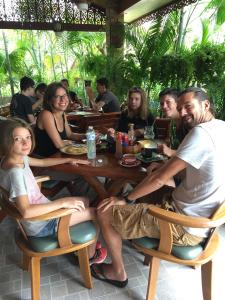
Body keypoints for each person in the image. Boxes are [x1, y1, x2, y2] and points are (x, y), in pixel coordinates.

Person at [90, 87, 225, 287]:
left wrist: (126, 199)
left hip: (183, 226)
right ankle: (135, 233)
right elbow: (192, 170)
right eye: (181, 108)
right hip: (201, 219)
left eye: (188, 106)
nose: (183, 112)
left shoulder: (200, 133)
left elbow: (161, 179)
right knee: (147, 185)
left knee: (105, 210)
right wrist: (164, 168)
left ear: (206, 105)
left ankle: (117, 272)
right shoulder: (220, 127)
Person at [0, 118, 107, 264]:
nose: (25, 143)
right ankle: (89, 256)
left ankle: (82, 245)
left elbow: (43, 162)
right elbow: (26, 212)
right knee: (97, 212)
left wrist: (67, 160)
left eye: (28, 137)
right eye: (17, 139)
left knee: (85, 201)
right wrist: (62, 202)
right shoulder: (15, 173)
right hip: (41, 225)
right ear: (6, 141)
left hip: (39, 217)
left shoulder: (13, 158)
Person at [34, 82, 85, 157]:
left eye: (65, 95)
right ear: (49, 100)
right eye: (57, 96)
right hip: (46, 160)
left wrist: (88, 135)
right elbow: (59, 144)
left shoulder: (62, 114)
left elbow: (70, 134)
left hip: (60, 156)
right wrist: (72, 143)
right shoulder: (46, 114)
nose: (63, 99)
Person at [158, 88, 189, 157]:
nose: (164, 106)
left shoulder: (187, 123)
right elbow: (169, 140)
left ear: (178, 102)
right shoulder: (172, 122)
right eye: (162, 103)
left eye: (168, 102)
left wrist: (170, 152)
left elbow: (191, 154)